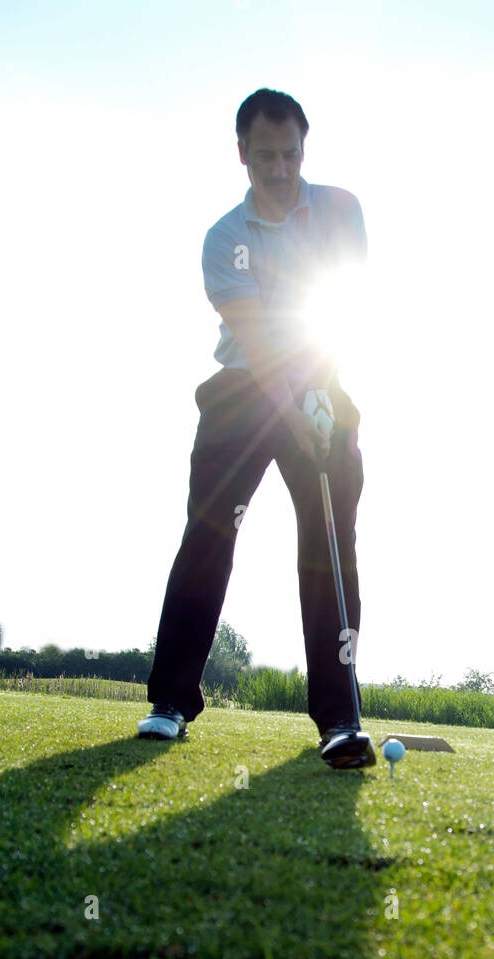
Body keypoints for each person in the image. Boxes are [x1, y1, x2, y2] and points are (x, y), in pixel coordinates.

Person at [138, 88, 368, 762]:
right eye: (263, 156)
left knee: (331, 543)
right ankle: (171, 701)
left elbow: (342, 307)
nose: (277, 168)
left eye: (289, 155)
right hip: (243, 391)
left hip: (321, 379)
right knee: (209, 537)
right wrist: (296, 403)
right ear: (241, 153)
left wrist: (320, 390)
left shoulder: (340, 209)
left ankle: (337, 717)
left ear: (304, 148)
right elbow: (259, 340)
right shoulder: (224, 238)